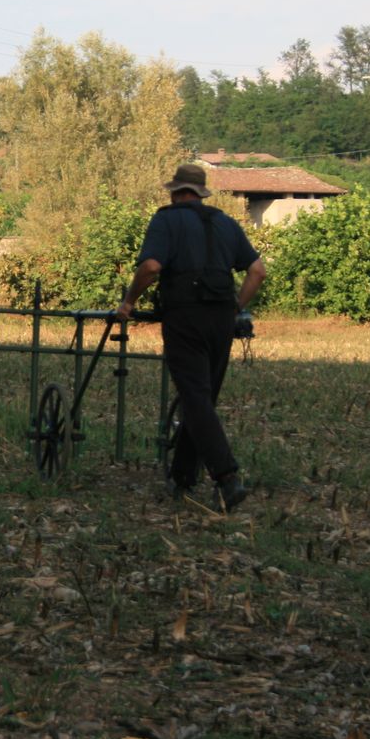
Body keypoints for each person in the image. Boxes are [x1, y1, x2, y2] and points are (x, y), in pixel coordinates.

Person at [114, 164, 266, 511]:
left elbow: (151, 267)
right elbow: (257, 272)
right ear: (200, 193)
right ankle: (182, 477)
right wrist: (234, 309)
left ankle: (227, 477)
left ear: (174, 191)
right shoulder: (225, 223)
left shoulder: (166, 220)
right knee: (202, 400)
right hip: (221, 320)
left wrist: (129, 301)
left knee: (195, 398)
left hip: (185, 317)